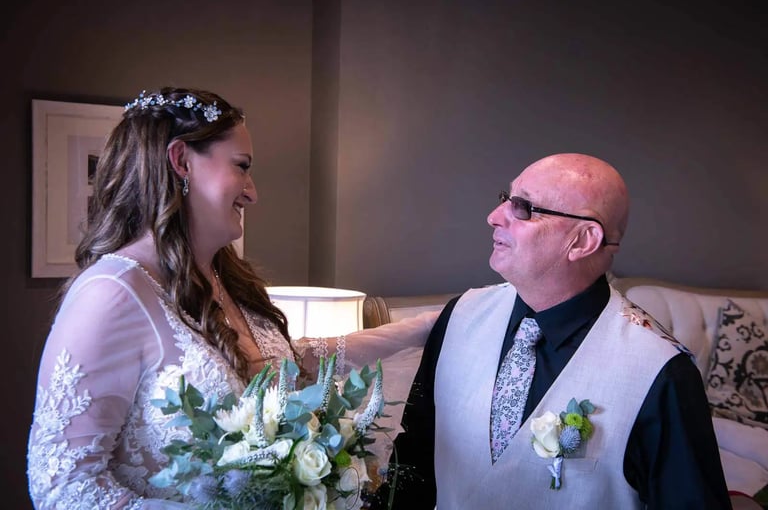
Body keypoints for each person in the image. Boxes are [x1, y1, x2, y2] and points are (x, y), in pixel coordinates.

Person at [26, 87, 435, 509]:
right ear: (181, 161)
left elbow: (290, 364)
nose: (253, 193)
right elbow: (63, 487)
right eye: (241, 167)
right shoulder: (112, 293)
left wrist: (420, 328)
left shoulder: (227, 278)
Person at [389, 153, 732, 509]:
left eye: (522, 208)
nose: (493, 217)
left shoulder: (662, 374)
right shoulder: (460, 316)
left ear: (583, 240)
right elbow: (413, 463)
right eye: (505, 200)